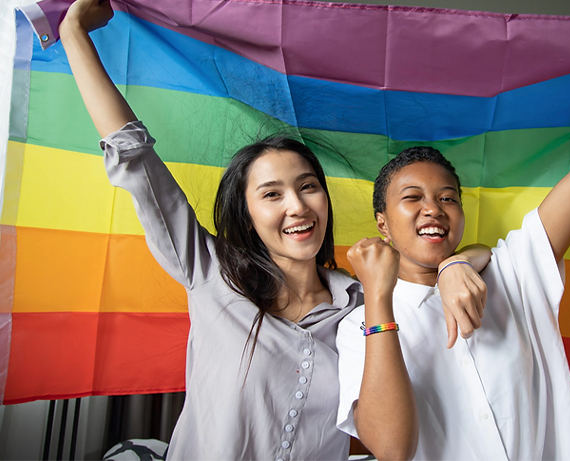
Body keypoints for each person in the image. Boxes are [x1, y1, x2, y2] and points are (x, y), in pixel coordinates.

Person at [56, 0, 491, 459]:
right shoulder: (209, 272)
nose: (297, 207)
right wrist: (74, 33)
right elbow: (133, 156)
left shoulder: (362, 300)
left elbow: (470, 254)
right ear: (246, 215)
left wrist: (453, 264)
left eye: (308, 187)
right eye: (271, 194)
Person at [336, 23, 570, 461]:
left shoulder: (512, 271)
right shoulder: (356, 328)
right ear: (382, 224)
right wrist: (378, 298)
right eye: (413, 198)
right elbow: (391, 450)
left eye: (448, 198)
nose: (434, 209)